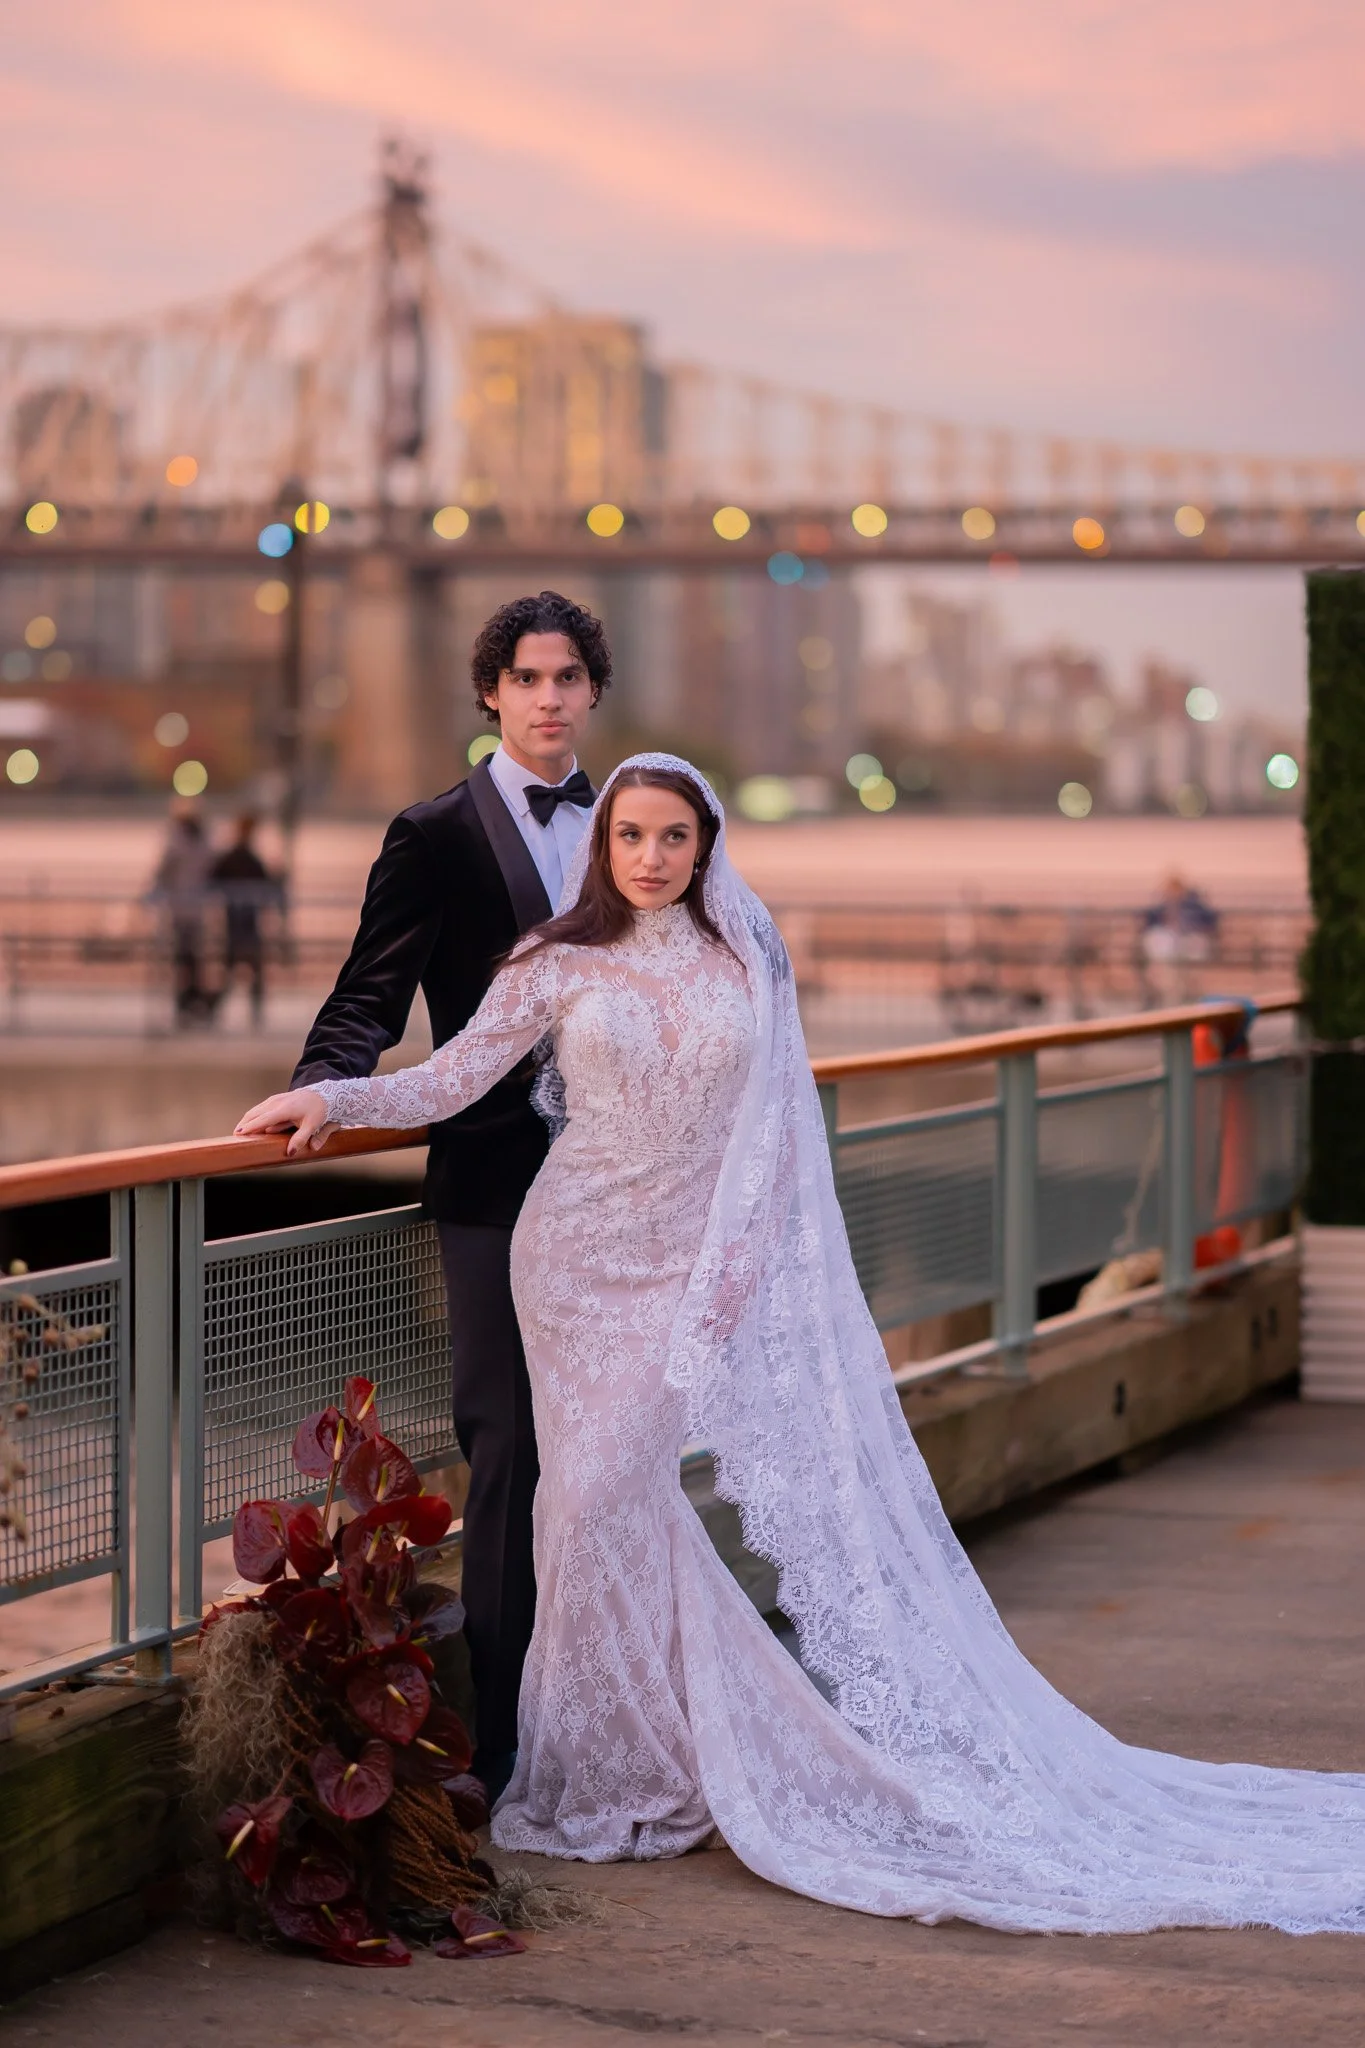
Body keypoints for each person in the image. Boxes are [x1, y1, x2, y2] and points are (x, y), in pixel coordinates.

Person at [239, 754, 1365, 1936]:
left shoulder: (747, 956)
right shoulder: (553, 959)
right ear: (602, 846)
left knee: (617, 1500)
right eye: (630, 836)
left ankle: (659, 1750)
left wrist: (729, 1281)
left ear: (706, 845)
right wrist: (333, 1098)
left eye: (674, 836)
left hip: (688, 1268)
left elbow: (776, 1138)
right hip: (571, 1260)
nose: (651, 857)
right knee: (587, 1505)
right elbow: (454, 1075)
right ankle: (616, 1765)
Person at [285, 591, 608, 1798]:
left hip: (621, 1187)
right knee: (507, 1445)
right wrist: (323, 1085)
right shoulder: (431, 832)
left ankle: (605, 1717)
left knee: (610, 1450)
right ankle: (505, 1747)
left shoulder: (633, 826)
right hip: (489, 1183)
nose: (547, 697)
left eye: (567, 677)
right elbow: (370, 989)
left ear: (592, 689)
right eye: (526, 677)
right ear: (490, 691)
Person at [208, 814, 281, 1029]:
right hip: (241, 924)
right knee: (239, 971)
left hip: (242, 924)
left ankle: (220, 1013)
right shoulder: (242, 857)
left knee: (239, 971)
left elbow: (214, 880)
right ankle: (226, 1013)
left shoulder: (237, 857)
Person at [148, 800, 213, 1025]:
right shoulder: (198, 841)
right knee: (187, 959)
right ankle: (188, 1003)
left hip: (188, 909)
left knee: (188, 960)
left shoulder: (180, 842)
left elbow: (164, 871)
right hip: (187, 908)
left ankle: (189, 1003)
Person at [1140, 872, 1219, 1005]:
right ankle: (1171, 998)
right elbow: (1148, 925)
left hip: (1188, 943)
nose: (1174, 893)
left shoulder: (1194, 907)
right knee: (1161, 954)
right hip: (1168, 949)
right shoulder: (1159, 908)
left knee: (1191, 953)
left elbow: (1210, 922)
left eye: (1176, 889)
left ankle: (1186, 996)